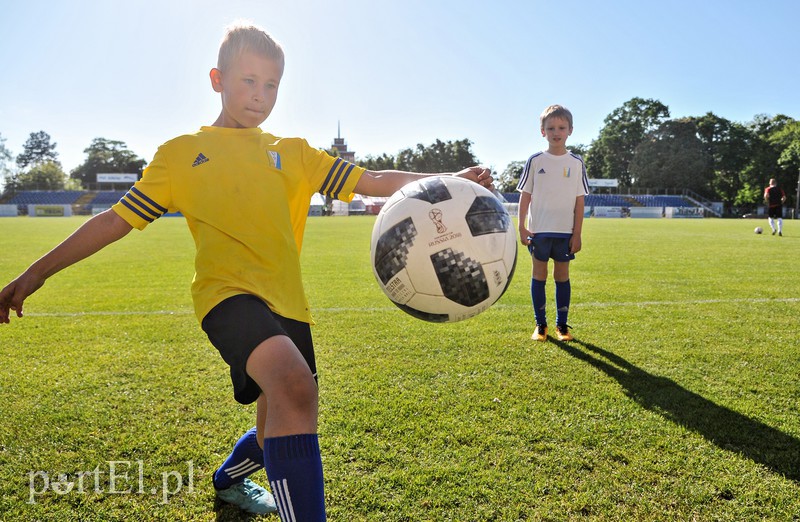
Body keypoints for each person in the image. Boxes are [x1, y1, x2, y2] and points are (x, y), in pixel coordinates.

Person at [0, 22, 493, 521]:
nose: (260, 96)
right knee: (295, 389)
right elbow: (114, 220)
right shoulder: (179, 154)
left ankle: (228, 480)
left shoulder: (295, 151)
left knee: (275, 423)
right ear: (217, 79)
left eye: (272, 84)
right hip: (225, 296)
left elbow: (373, 180)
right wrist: (38, 272)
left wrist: (447, 179)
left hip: (288, 302)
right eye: (248, 81)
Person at [516, 105, 589, 342]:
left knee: (562, 277)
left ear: (570, 130)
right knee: (539, 276)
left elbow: (580, 202)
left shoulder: (576, 163)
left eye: (561, 127)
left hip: (565, 233)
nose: (556, 132)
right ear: (542, 131)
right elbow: (525, 195)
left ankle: (562, 326)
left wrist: (576, 234)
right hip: (540, 231)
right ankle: (540, 325)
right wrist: (522, 227)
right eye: (550, 128)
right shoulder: (535, 161)